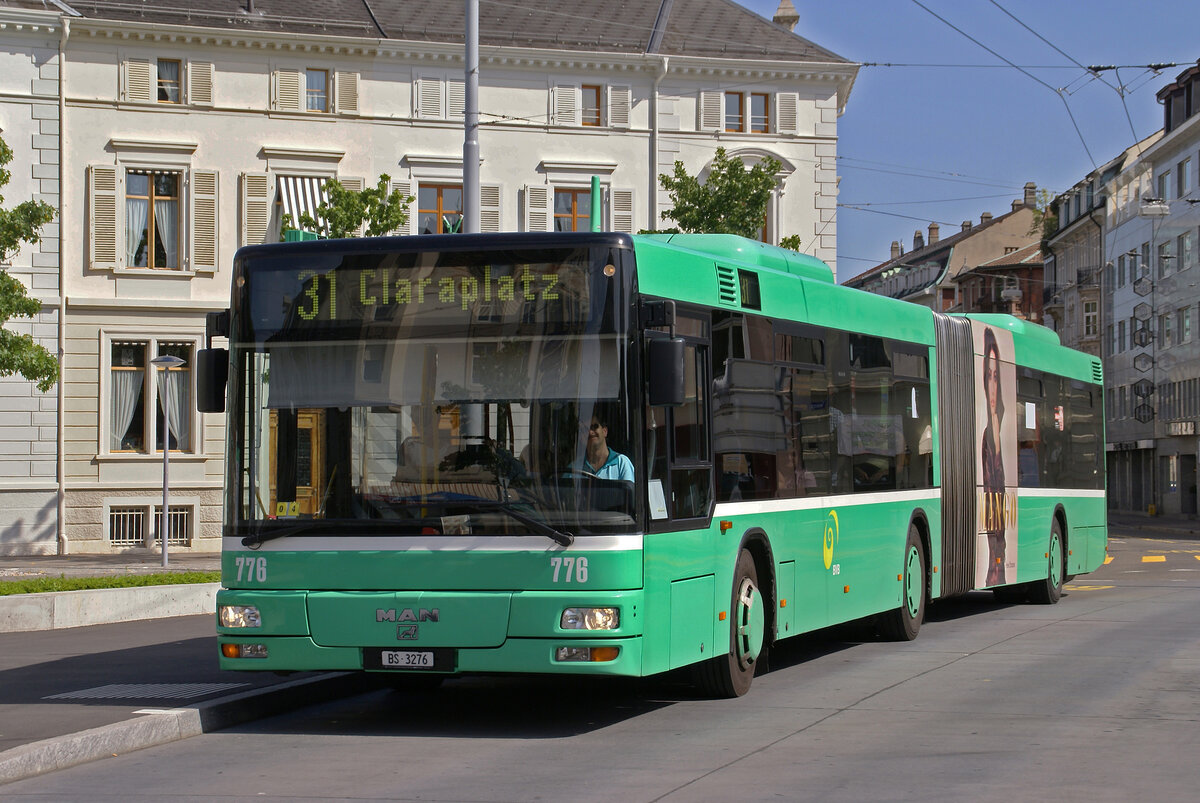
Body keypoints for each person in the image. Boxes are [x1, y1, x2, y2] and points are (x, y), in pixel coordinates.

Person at [981, 328, 1006, 586]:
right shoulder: (984, 438)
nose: (992, 384)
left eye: (996, 376)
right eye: (988, 376)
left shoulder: (1008, 432)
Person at [572, 415, 634, 481]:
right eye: (584, 429)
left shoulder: (622, 463)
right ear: (580, 437)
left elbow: (631, 490)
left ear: (605, 431)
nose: (590, 432)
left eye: (594, 427)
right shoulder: (574, 468)